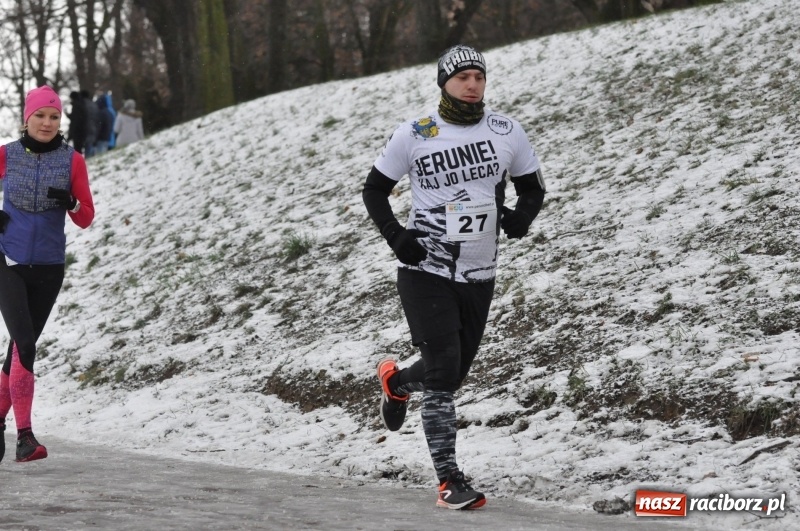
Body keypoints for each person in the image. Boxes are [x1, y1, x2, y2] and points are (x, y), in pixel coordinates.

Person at [362, 45, 545, 510]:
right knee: (443, 371)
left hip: (479, 273)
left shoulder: (505, 131)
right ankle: (449, 481)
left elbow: (532, 187)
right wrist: (396, 236)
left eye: (478, 76)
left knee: (452, 373)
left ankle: (396, 384)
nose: (472, 84)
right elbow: (375, 190)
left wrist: (522, 216)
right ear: (444, 82)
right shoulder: (416, 133)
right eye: (462, 77)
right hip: (425, 268)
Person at [0, 86, 95, 463]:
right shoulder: (6, 155)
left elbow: (86, 216)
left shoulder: (73, 161)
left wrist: (71, 202)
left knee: (17, 351)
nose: (47, 123)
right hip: (8, 262)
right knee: (25, 345)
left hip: (49, 267)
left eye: (54, 117)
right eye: (40, 115)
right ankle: (25, 437)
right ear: (27, 118)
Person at [81, 90, 98, 158]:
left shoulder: (82, 104)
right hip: (93, 127)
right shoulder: (94, 105)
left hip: (84, 128)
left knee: (83, 146)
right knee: (90, 144)